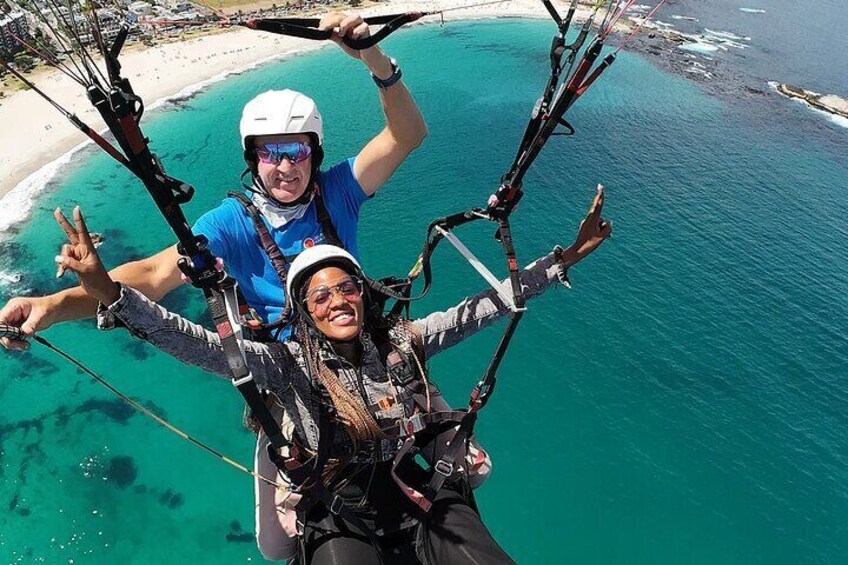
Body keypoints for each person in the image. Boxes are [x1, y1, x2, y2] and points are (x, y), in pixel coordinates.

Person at [51, 186, 611, 564]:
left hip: (420, 493)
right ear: (303, 311)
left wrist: (563, 260)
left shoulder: (403, 341)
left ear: (363, 295)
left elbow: (482, 308)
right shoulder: (288, 365)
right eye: (321, 296)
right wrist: (109, 292)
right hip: (340, 510)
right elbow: (196, 343)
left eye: (347, 289)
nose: (338, 300)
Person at [0, 11, 427, 349]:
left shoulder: (337, 192)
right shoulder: (232, 223)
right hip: (291, 365)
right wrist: (53, 305)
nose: (285, 167)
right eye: (270, 153)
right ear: (252, 160)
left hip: (359, 338)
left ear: (314, 156)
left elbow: (407, 135)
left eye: (296, 151)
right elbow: (153, 274)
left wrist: (372, 57)